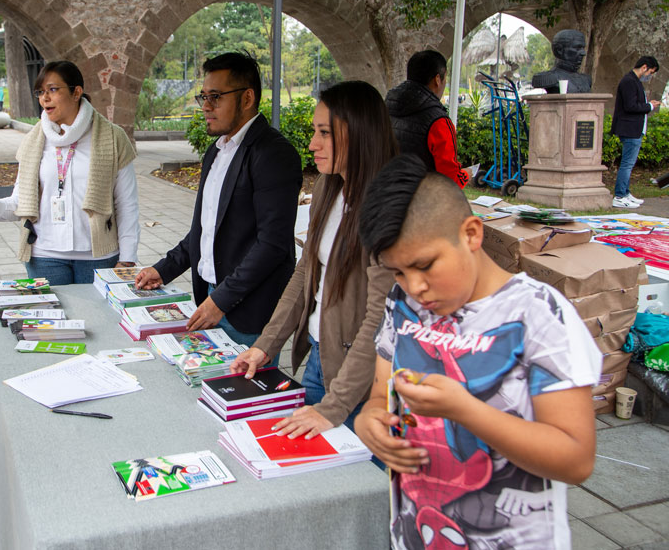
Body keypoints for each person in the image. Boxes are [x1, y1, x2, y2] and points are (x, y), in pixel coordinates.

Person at [355, 154, 600, 550]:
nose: (415, 287)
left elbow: (576, 460)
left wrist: (465, 410)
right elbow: (380, 396)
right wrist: (370, 421)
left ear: (471, 234)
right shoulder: (402, 304)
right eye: (399, 271)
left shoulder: (539, 314)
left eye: (425, 265)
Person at [229, 81, 397, 440]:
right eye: (314, 131)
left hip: (364, 381)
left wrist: (335, 407)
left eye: (325, 133)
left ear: (360, 134)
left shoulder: (387, 208)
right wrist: (265, 345)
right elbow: (305, 271)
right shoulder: (327, 187)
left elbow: (381, 318)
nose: (312, 144)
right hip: (321, 358)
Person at [135, 52, 301, 348]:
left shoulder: (273, 154)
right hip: (211, 297)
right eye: (203, 97)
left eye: (215, 97)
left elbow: (273, 245)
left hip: (248, 311)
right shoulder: (217, 150)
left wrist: (221, 301)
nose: (205, 106)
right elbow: (206, 230)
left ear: (247, 98)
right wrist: (164, 269)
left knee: (240, 380)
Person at [0, 60, 139, 284]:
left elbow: (126, 204)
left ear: (76, 92)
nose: (45, 98)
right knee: (51, 309)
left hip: (99, 257)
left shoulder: (113, 138)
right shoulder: (34, 140)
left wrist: (127, 259)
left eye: (52, 89)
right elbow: (21, 201)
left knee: (97, 309)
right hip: (44, 257)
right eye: (41, 92)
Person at [386, 50, 468, 188]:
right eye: (445, 78)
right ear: (437, 79)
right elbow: (450, 181)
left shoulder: (385, 106)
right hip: (422, 196)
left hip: (386, 193)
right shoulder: (439, 122)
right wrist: (466, 174)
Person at [612, 56, 661, 208]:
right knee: (627, 164)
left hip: (635, 129)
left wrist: (648, 104)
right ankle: (620, 195)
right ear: (644, 67)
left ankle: (625, 193)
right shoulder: (629, 81)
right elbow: (631, 106)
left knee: (629, 164)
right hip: (630, 129)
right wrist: (650, 107)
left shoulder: (635, 81)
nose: (650, 76)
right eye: (650, 72)